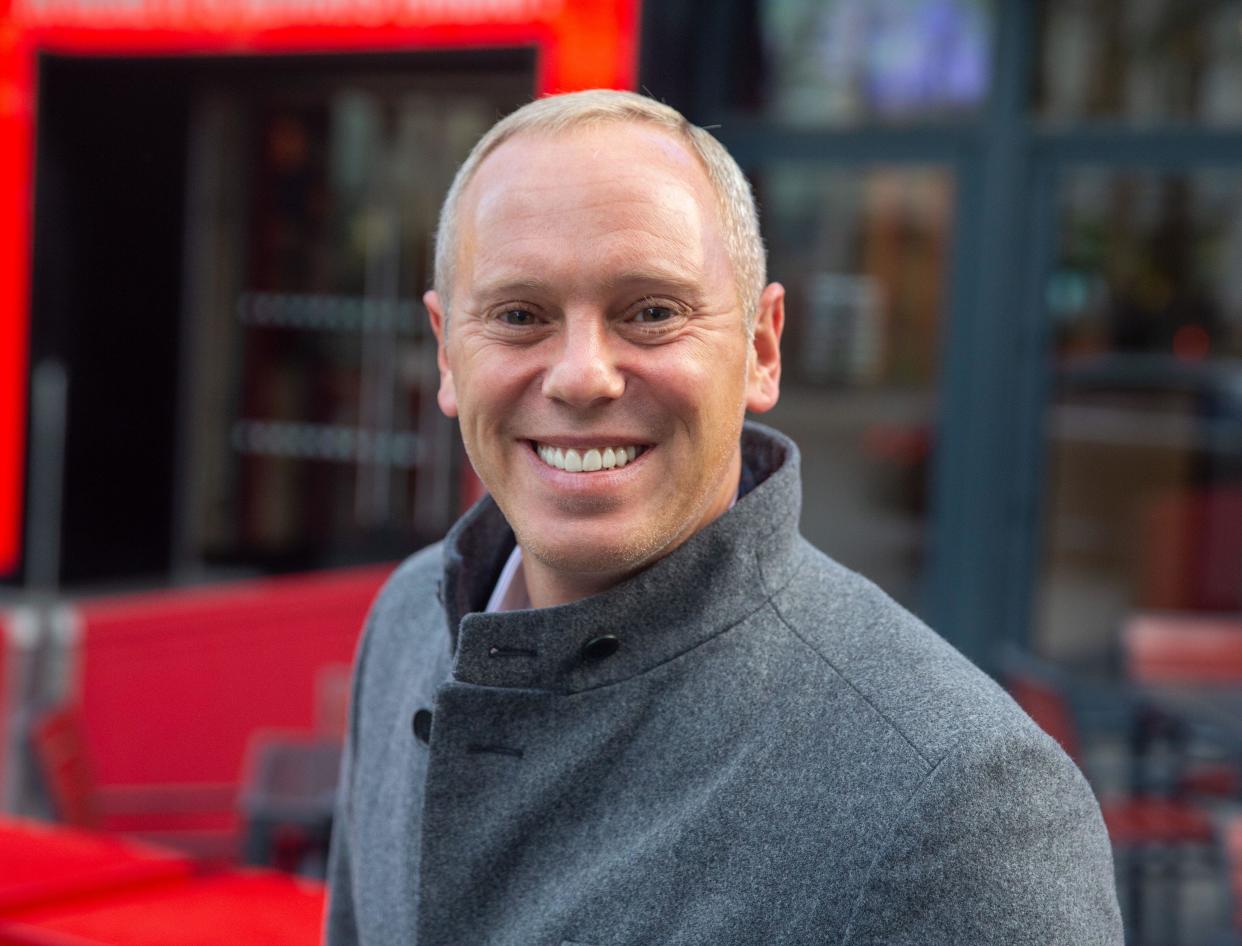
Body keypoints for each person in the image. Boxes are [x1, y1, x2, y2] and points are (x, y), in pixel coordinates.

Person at [325, 89, 1123, 945]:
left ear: (761, 347)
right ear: (448, 353)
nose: (582, 375)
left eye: (653, 312)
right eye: (520, 316)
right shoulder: (409, 623)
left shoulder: (959, 799)